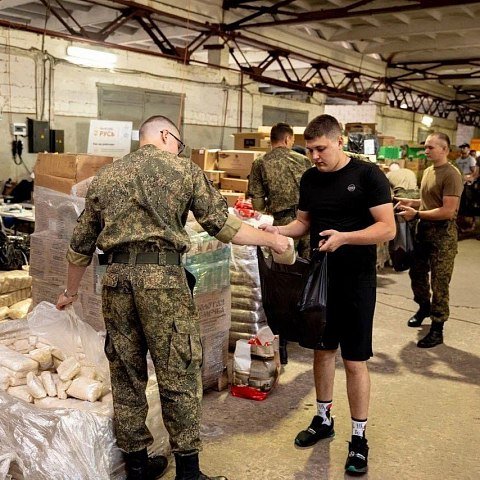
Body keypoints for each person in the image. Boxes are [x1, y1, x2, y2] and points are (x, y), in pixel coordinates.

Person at [56, 115, 289, 480]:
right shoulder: (183, 170)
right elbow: (223, 227)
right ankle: (189, 472)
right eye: (177, 143)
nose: (178, 149)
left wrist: (69, 293)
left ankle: (137, 466)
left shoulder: (106, 176)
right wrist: (273, 239)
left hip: (116, 281)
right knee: (178, 371)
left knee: (126, 373)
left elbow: (79, 246)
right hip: (163, 281)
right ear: (165, 135)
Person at [261, 114, 395, 475]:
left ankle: (359, 438)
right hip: (320, 279)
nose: (315, 156)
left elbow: (387, 228)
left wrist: (345, 238)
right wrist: (270, 228)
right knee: (321, 352)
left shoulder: (368, 176)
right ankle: (323, 419)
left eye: (320, 149)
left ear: (339, 141)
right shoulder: (309, 178)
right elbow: (303, 223)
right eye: (309, 150)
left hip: (356, 281)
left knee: (354, 360)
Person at [395, 133, 463, 348]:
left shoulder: (452, 174)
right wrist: (411, 202)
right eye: (426, 147)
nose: (426, 151)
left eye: (431, 147)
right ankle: (423, 306)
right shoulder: (427, 171)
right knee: (417, 274)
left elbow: (447, 211)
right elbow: (427, 202)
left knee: (440, 282)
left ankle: (437, 327)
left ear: (444, 149)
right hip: (423, 232)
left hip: (443, 236)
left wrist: (416, 214)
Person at [247, 122, 312, 260]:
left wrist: (265, 211)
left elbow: (257, 200)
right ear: (287, 139)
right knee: (309, 264)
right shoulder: (304, 160)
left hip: (282, 224)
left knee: (283, 267)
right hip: (307, 219)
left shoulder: (260, 163)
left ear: (271, 139)